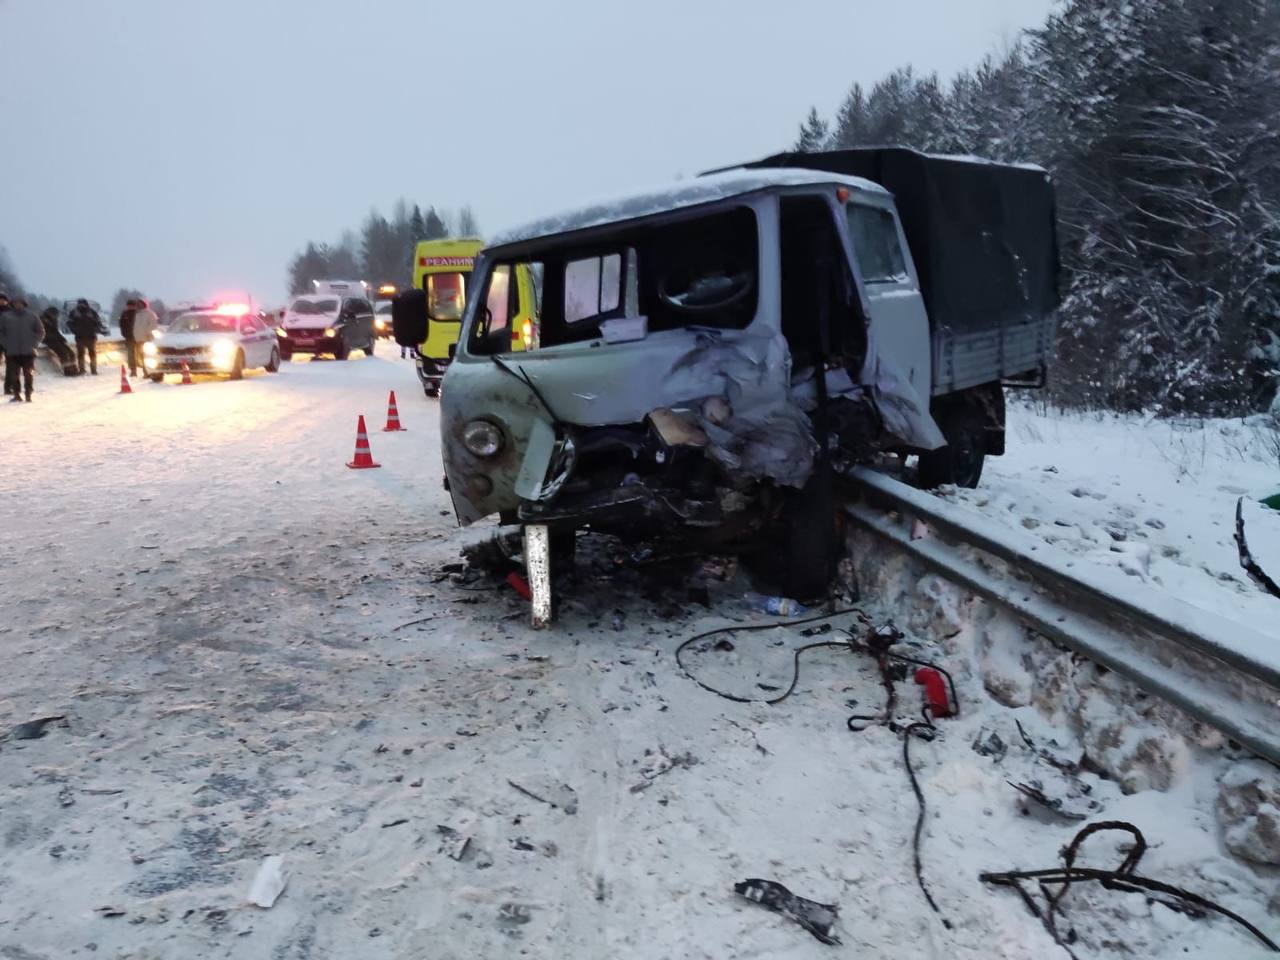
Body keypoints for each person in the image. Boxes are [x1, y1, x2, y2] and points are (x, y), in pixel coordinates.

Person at [1, 296, 43, 402]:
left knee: (28, 374)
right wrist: (5, 344)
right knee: (14, 374)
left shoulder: (32, 316)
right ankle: (16, 394)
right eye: (15, 303)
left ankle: (28, 393)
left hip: (28, 352)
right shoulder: (5, 317)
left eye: (20, 303)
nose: (18, 305)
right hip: (11, 352)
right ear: (12, 304)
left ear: (24, 304)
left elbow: (40, 331)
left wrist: (34, 343)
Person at [68, 298, 101, 375]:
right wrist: (75, 330)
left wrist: (95, 329)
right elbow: (69, 323)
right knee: (81, 354)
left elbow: (98, 323)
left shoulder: (92, 312)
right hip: (80, 337)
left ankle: (93, 369)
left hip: (91, 336)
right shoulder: (74, 313)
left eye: (83, 304)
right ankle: (82, 370)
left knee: (92, 353)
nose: (81, 305)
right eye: (80, 304)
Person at [40, 305, 77, 374]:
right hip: (48, 339)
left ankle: (74, 369)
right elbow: (41, 332)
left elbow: (55, 331)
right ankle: (67, 370)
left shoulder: (54, 320)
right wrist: (52, 337)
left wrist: (61, 338)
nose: (55, 316)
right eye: (54, 314)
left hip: (55, 339)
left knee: (71, 353)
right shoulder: (42, 320)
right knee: (63, 353)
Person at [132, 298, 158, 377]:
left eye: (140, 304)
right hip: (138, 339)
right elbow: (136, 326)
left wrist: (148, 332)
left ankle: (149, 372)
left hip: (147, 339)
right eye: (137, 304)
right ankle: (145, 372)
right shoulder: (137, 315)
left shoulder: (150, 314)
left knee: (148, 357)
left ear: (144, 304)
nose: (138, 306)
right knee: (141, 357)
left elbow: (153, 325)